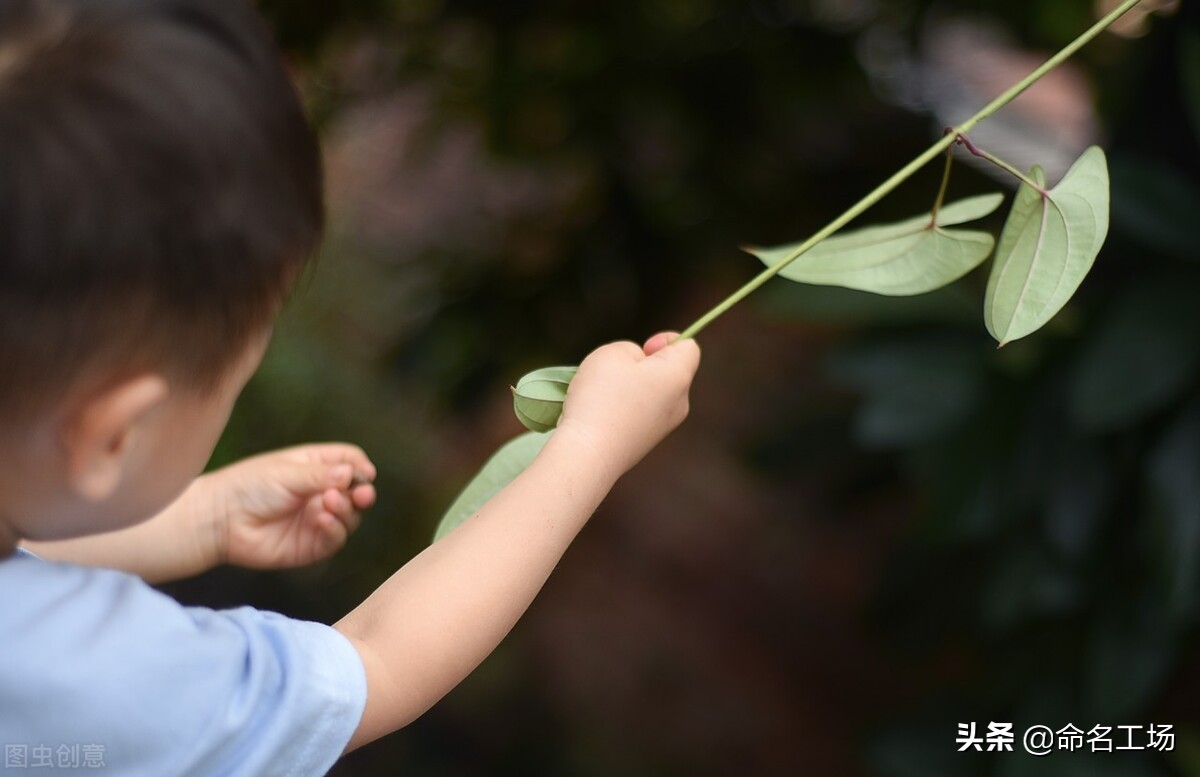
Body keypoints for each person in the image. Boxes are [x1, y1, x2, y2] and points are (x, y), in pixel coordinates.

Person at [0, 0, 701, 774]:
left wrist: (201, 517)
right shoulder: (96, 689)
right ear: (115, 435)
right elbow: (378, 661)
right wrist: (591, 447)